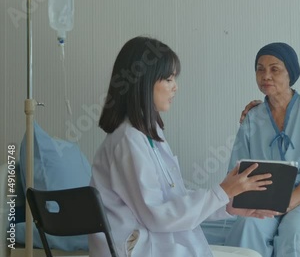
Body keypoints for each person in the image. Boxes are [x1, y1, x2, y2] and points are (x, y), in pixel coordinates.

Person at [89, 36, 278, 257]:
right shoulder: (128, 140)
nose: (175, 87)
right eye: (168, 79)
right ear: (144, 82)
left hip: (154, 241)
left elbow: (173, 199)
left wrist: (228, 204)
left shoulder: (148, 135)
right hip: (139, 248)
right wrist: (222, 192)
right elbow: (157, 215)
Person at [225, 42, 300, 257]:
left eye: (275, 69)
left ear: (290, 73)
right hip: (264, 198)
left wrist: (286, 203)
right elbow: (238, 171)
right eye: (260, 69)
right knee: (247, 226)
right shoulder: (252, 117)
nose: (266, 75)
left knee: (295, 231)